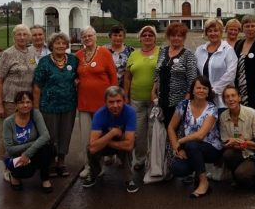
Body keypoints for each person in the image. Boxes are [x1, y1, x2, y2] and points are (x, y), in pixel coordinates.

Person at [0, 24, 36, 182]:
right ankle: (7, 167)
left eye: (25, 34)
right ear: (14, 36)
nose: (22, 37)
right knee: (8, 136)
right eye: (19, 34)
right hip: (10, 101)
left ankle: (21, 163)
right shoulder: (8, 54)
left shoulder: (31, 52)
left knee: (24, 135)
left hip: (26, 103)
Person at [168, 76, 222, 198]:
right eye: (198, 87)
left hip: (211, 148)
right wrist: (176, 148)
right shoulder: (183, 105)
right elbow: (171, 127)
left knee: (192, 145)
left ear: (209, 91)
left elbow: (200, 135)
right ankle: (199, 172)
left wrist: (180, 141)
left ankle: (204, 182)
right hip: (191, 148)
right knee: (177, 168)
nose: (201, 90)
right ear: (192, 90)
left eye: (205, 88)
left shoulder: (212, 109)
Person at [33, 32, 78, 178]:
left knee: (65, 133)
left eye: (63, 43)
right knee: (51, 135)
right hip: (49, 105)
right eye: (57, 43)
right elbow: (37, 86)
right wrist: (35, 107)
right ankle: (51, 162)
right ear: (51, 45)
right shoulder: (44, 62)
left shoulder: (72, 60)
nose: (60, 46)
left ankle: (62, 161)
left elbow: (79, 77)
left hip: (68, 104)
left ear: (67, 45)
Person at [76, 26, 118, 177]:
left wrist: (113, 100)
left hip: (102, 103)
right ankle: (89, 165)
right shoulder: (78, 55)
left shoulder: (105, 53)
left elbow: (113, 76)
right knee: (86, 136)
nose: (87, 38)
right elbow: (75, 75)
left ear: (95, 37)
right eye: (84, 36)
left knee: (103, 134)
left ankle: (109, 155)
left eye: (90, 36)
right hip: (84, 103)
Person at [82, 86, 139, 193]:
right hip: (105, 144)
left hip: (116, 142)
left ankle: (129, 179)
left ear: (124, 100)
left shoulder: (130, 112)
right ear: (105, 102)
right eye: (111, 102)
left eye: (118, 101)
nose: (115, 105)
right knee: (89, 149)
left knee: (130, 143)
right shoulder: (99, 114)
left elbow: (129, 145)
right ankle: (93, 174)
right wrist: (112, 133)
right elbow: (93, 148)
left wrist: (106, 141)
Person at [2, 90, 53, 193]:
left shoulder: (35, 114)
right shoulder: (8, 122)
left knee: (48, 148)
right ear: (16, 105)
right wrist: (32, 145)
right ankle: (14, 176)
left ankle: (45, 179)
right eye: (21, 102)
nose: (25, 105)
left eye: (28, 102)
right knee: (26, 173)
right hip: (16, 156)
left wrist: (28, 153)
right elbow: (10, 149)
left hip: (31, 154)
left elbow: (46, 136)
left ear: (32, 104)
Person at [124, 25, 160, 170]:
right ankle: (140, 159)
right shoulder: (133, 55)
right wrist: (126, 96)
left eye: (150, 35)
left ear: (155, 38)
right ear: (140, 38)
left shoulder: (161, 52)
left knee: (153, 131)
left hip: (154, 99)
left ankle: (153, 160)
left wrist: (155, 90)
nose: (147, 37)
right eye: (144, 35)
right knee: (138, 132)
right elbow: (127, 77)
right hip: (136, 99)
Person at [219, 86, 255, 188]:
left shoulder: (252, 114)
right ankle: (240, 176)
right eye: (227, 97)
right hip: (240, 151)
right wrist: (233, 143)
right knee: (227, 155)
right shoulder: (223, 116)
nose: (231, 99)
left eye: (233, 95)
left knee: (241, 174)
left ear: (239, 98)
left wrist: (243, 143)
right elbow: (225, 141)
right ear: (224, 101)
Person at [152, 22, 199, 126]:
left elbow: (192, 81)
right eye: (173, 35)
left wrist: (185, 103)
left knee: (175, 132)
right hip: (162, 100)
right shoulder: (163, 51)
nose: (176, 38)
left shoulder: (188, 55)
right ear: (169, 37)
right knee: (163, 130)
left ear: (184, 38)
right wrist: (153, 91)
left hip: (178, 102)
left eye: (179, 36)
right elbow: (157, 73)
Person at [194, 18, 237, 110]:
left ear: (221, 32)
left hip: (222, 100)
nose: (213, 33)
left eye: (216, 31)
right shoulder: (199, 50)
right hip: (203, 99)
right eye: (210, 31)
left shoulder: (228, 50)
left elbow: (231, 74)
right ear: (206, 33)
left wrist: (214, 90)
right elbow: (196, 72)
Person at [104, 25, 134, 89]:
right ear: (110, 36)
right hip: (106, 88)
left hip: (125, 88)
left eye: (120, 35)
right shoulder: (103, 50)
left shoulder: (131, 51)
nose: (118, 38)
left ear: (124, 37)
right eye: (115, 35)